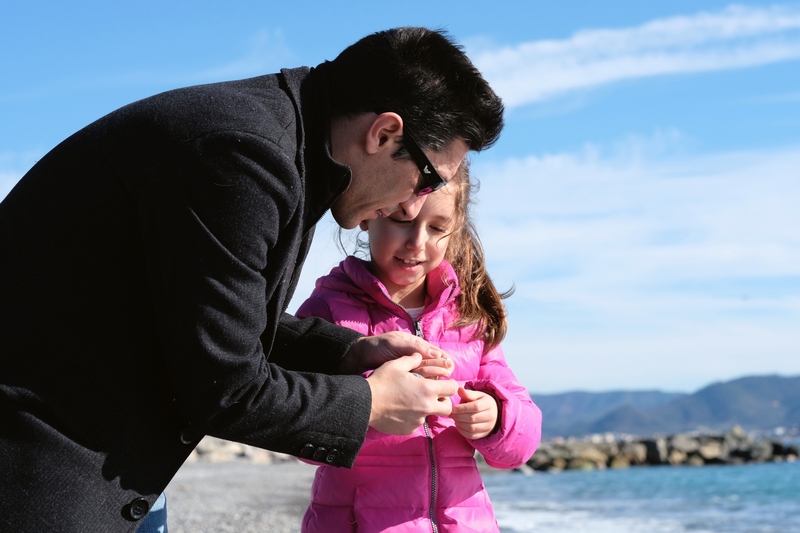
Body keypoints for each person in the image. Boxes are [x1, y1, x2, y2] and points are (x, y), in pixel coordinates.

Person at [0, 27, 504, 532]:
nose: (414, 204)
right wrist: (371, 402)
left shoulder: (286, 143)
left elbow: (210, 315)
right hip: (37, 463)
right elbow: (224, 386)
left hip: (105, 460)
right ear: (383, 134)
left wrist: (347, 353)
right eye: (428, 179)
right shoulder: (243, 156)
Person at [295, 163, 542, 532]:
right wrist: (371, 410)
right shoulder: (329, 309)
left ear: (454, 232)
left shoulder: (467, 318)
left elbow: (523, 438)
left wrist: (496, 417)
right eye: (401, 218)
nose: (417, 242)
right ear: (369, 212)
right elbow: (297, 427)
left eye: (438, 228)